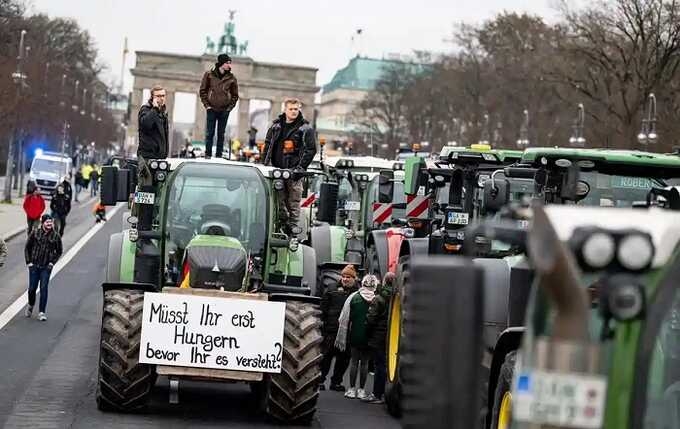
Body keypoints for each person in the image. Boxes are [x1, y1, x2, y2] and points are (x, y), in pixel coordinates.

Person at [262, 98, 317, 233]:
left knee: (293, 202)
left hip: (294, 172)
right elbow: (268, 146)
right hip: (276, 170)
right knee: (277, 200)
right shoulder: (275, 126)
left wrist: (300, 168)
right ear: (285, 110)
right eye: (291, 109)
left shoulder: (306, 129)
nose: (293, 111)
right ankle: (281, 223)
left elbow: (311, 149)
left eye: (296, 109)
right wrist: (264, 164)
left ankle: (292, 228)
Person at [336, 274, 379, 400]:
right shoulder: (377, 299)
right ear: (375, 285)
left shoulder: (354, 298)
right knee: (365, 363)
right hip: (369, 336)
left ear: (363, 283)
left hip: (355, 334)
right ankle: (361, 390)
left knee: (354, 362)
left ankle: (351, 389)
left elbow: (344, 318)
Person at [320, 264, 358, 392]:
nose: (345, 279)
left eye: (348, 277)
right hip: (331, 330)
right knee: (325, 357)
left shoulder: (358, 293)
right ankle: (320, 380)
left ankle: (336, 382)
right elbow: (323, 309)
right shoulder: (331, 289)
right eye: (343, 276)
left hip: (348, 332)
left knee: (343, 360)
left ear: (354, 278)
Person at [363, 272, 395, 404]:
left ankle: (377, 394)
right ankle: (384, 393)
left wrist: (367, 331)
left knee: (378, 366)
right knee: (387, 366)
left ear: (383, 282)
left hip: (378, 336)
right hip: (390, 336)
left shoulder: (379, 298)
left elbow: (371, 319)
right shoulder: (396, 298)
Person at [199, 53, 239, 159]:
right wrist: (207, 105)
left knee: (221, 134)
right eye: (227, 63)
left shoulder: (231, 78)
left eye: (230, 63)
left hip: (224, 110)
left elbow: (235, 95)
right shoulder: (209, 74)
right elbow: (202, 91)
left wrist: (229, 108)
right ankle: (208, 154)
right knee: (209, 133)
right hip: (211, 108)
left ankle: (219, 155)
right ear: (221, 63)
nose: (229, 65)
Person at [24, 214, 63, 321]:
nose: (49, 224)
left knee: (43, 288)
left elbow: (59, 251)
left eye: (51, 222)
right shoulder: (35, 233)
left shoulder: (55, 236)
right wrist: (29, 262)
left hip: (46, 267)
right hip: (34, 266)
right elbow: (27, 248)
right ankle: (31, 305)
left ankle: (42, 312)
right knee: (32, 289)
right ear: (43, 223)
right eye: (47, 222)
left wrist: (52, 263)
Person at [137, 85, 169, 186]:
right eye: (158, 96)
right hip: (147, 158)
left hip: (160, 159)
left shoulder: (163, 113)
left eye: (163, 95)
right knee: (146, 187)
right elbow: (146, 124)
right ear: (152, 97)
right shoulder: (145, 109)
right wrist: (154, 109)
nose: (162, 98)